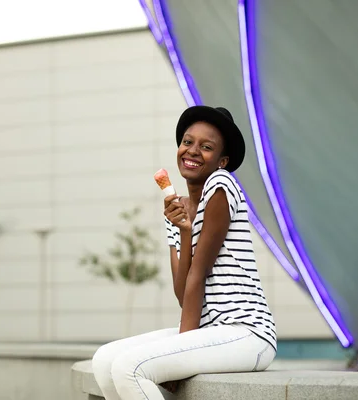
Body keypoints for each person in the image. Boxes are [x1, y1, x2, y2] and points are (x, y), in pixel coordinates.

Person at [91, 106, 276, 400]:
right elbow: (183, 291)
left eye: (206, 147)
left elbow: (198, 275)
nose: (192, 151)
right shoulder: (176, 211)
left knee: (130, 367)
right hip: (209, 330)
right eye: (187, 142)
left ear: (221, 161)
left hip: (247, 333)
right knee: (104, 361)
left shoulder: (221, 183)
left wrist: (180, 353)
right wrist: (184, 230)